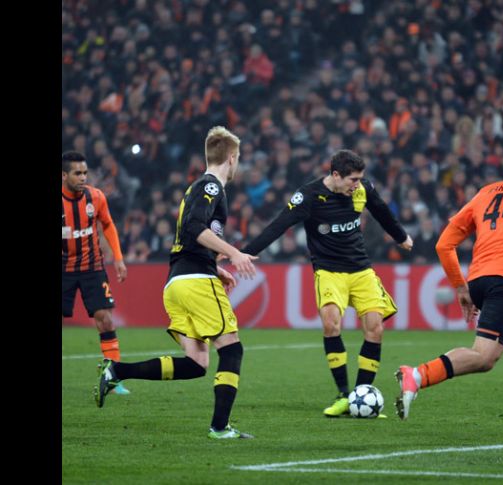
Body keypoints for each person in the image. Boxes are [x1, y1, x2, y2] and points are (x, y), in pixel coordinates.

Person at [396, 145, 503, 446]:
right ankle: (418, 375)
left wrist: (461, 287)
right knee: (484, 357)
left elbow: (443, 245)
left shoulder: (486, 192)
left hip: (479, 279)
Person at [95, 126, 259, 439]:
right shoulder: (211, 187)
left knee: (197, 363)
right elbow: (196, 228)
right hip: (195, 281)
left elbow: (187, 235)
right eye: (239, 159)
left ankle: (117, 370)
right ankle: (220, 428)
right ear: (233, 158)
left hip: (178, 282)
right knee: (232, 350)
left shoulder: (198, 187)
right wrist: (233, 253)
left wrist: (214, 265)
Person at [242, 149, 413, 417]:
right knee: (331, 324)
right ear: (335, 175)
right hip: (329, 271)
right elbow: (280, 223)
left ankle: (360, 396)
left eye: (359, 179)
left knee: (375, 329)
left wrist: (401, 236)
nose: (357, 185)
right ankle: (344, 395)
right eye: (352, 179)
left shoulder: (362, 190)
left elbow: (381, 211)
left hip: (361, 270)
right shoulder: (309, 196)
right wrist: (248, 250)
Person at [62, 151, 130, 395]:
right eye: (77, 173)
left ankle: (114, 378)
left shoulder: (96, 197)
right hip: (63, 269)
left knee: (105, 318)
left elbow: (108, 224)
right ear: (64, 175)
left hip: (92, 267)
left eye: (85, 173)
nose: (83, 177)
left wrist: (118, 259)